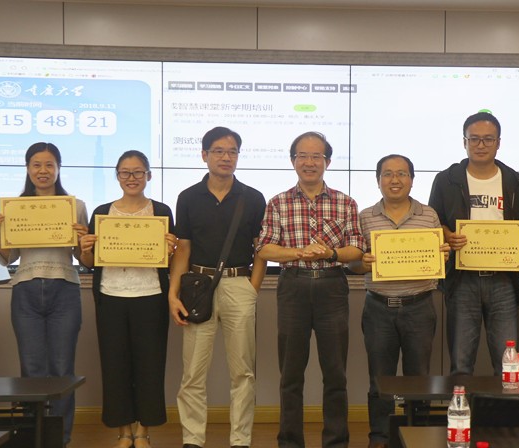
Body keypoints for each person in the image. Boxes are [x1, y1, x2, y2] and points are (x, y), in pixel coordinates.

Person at [257, 131, 363, 448]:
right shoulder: (278, 202)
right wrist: (299, 253)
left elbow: (356, 249)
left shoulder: (345, 202)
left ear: (327, 161)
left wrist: (330, 253)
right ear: (293, 161)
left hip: (332, 286)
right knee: (291, 375)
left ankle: (336, 442)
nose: (309, 162)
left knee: (335, 374)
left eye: (317, 156)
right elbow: (264, 248)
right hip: (293, 285)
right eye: (303, 156)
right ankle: (290, 442)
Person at [167, 127, 267, 448]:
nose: (226, 157)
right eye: (219, 151)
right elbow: (183, 249)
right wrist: (173, 294)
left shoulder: (253, 198)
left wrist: (252, 288)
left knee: (243, 372)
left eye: (232, 151)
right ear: (204, 155)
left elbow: (261, 250)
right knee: (193, 372)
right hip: (198, 287)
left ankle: (240, 440)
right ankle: (193, 439)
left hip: (239, 284)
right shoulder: (188, 197)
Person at [0, 142, 88, 446]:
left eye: (49, 164)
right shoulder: (14, 207)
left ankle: (60, 439)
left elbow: (81, 257)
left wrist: (83, 240)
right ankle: (34, 438)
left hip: (65, 289)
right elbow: (9, 257)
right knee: (31, 370)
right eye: (36, 165)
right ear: (28, 169)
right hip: (26, 289)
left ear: (58, 168)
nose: (43, 171)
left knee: (62, 370)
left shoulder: (75, 206)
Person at [348, 154, 450, 448]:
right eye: (388, 174)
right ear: (378, 180)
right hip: (378, 308)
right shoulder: (364, 217)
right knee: (379, 379)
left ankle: (417, 434)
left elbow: (437, 257)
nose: (395, 180)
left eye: (402, 174)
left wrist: (441, 256)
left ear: (412, 180)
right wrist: (362, 263)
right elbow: (353, 264)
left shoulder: (428, 215)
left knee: (418, 379)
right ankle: (379, 437)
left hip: (419, 306)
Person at [79, 150, 177, 448]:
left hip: (151, 296)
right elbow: (90, 262)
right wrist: (84, 248)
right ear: (117, 176)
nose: (131, 178)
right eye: (125, 172)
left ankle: (143, 431)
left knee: (150, 366)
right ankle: (123, 432)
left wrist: (170, 251)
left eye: (138, 172)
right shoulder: (102, 213)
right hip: (111, 297)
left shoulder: (161, 212)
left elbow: (170, 263)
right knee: (115, 366)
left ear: (149, 175)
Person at [428, 111, 519, 376]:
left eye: (488, 139)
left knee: (507, 363)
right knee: (461, 362)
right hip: (462, 280)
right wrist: (447, 235)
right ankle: (461, 404)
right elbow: (433, 221)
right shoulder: (446, 180)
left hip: (504, 281)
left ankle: (503, 406)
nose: (481, 145)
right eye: (474, 139)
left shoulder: (516, 182)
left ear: (499, 143)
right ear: (464, 142)